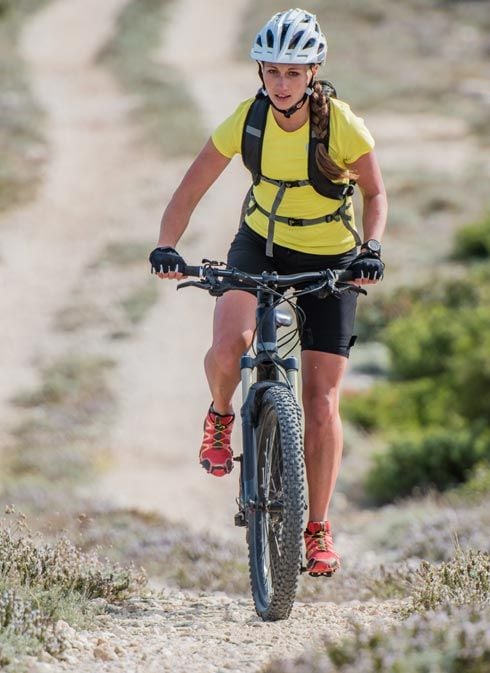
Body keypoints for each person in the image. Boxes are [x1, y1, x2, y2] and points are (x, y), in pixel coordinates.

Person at [149, 8, 387, 577]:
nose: (282, 84)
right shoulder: (246, 120)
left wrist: (370, 250)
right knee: (231, 344)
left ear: (314, 72)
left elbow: (376, 195)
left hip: (331, 257)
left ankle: (318, 527)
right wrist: (166, 244)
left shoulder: (342, 126)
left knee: (322, 400)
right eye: (274, 71)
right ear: (261, 71)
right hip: (260, 244)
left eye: (294, 72)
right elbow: (191, 186)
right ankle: (221, 416)